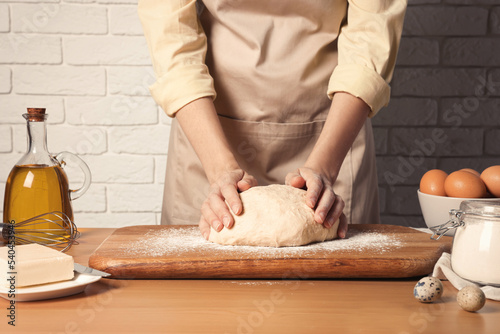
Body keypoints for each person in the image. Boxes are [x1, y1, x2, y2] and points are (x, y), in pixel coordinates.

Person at [138, 0, 406, 240]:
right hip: (208, 131)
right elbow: (172, 36)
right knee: (200, 291)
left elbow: (371, 31)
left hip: (333, 128)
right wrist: (220, 170)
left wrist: (323, 167)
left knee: (336, 291)